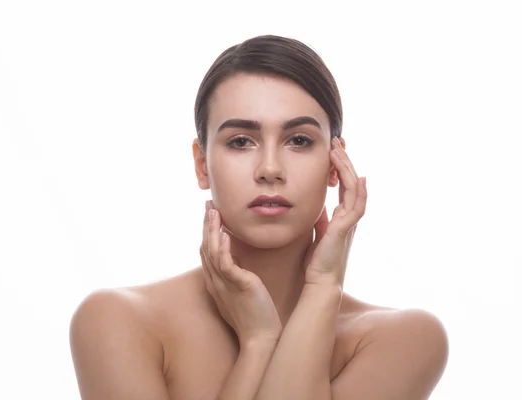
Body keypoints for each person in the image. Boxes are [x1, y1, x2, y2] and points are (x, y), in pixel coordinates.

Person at [69, 34, 449, 399]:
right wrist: (258, 342)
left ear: (336, 164)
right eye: (241, 141)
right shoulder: (117, 323)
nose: (270, 168)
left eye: (299, 140)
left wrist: (322, 289)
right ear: (202, 165)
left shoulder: (405, 339)